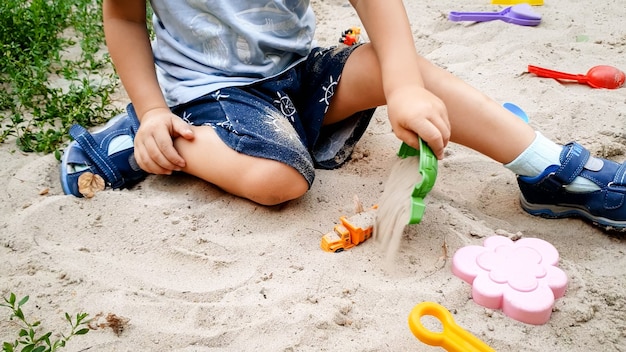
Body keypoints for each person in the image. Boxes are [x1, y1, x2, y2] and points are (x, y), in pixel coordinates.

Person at [60, 0, 626, 231]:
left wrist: (402, 87)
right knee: (280, 181)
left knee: (399, 68)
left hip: (297, 73)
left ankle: (549, 169)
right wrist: (153, 106)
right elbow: (125, 16)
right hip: (209, 94)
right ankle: (139, 137)